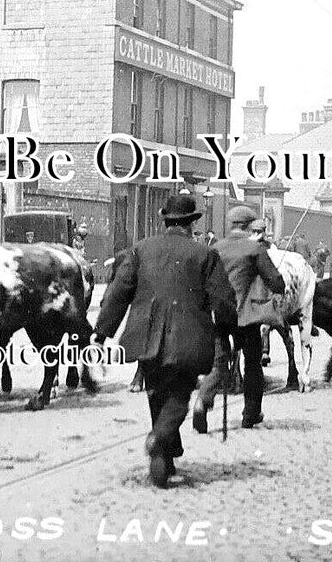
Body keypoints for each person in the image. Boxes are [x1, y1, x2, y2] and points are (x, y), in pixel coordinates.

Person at [92, 194, 230, 488]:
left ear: (165, 220)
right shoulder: (205, 254)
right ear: (192, 223)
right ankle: (159, 439)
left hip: (146, 335)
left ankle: (165, 462)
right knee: (179, 395)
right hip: (188, 337)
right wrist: (229, 329)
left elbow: (118, 293)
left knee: (156, 392)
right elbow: (223, 300)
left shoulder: (140, 250)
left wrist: (101, 333)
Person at [194, 205, 286, 433]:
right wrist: (277, 284)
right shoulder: (254, 249)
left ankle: (202, 401)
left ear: (231, 225)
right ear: (248, 225)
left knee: (218, 363)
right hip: (245, 316)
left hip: (218, 315)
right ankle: (250, 414)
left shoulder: (215, 248)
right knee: (252, 363)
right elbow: (275, 281)